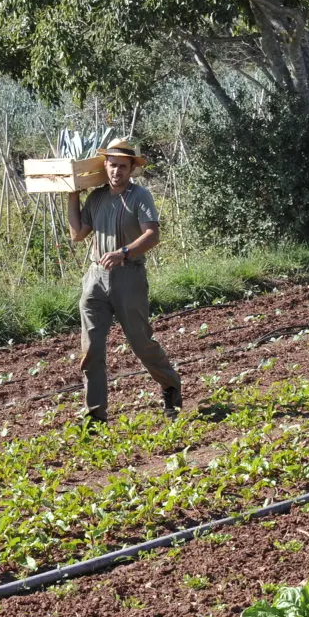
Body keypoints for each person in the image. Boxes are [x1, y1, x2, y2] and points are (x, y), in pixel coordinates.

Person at [65, 138, 182, 424]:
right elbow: (77, 234)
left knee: (141, 343)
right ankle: (96, 416)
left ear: (131, 169)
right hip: (94, 279)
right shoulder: (96, 197)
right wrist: (71, 193)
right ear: (105, 167)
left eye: (122, 167)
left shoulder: (140, 196)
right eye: (112, 165)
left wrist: (124, 252)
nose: (116, 171)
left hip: (128, 276)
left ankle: (170, 386)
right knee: (91, 348)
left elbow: (152, 235)